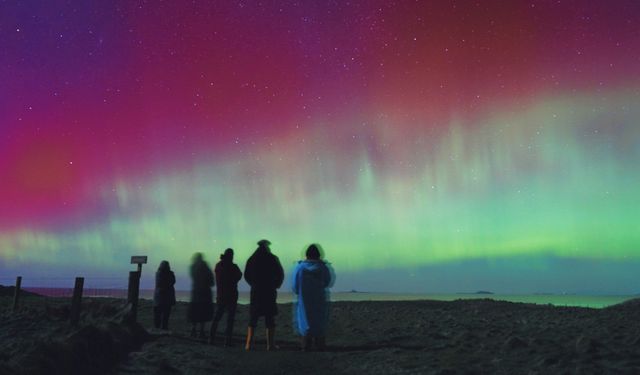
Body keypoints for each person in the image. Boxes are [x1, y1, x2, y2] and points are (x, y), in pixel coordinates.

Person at [243, 239, 284, 351]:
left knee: (253, 318)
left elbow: (246, 275)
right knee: (269, 317)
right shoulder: (273, 258)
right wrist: (276, 284)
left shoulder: (251, 259)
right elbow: (280, 273)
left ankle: (248, 344)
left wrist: (253, 284)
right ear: (267, 247)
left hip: (256, 292)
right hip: (269, 291)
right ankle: (270, 345)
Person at [293, 244, 333, 351]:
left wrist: (299, 291)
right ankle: (320, 344)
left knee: (304, 320)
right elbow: (327, 282)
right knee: (319, 319)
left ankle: (306, 344)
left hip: (304, 299)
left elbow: (295, 285)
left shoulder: (300, 268)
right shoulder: (323, 267)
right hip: (319, 298)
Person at [209, 248, 243, 346]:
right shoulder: (232, 267)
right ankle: (227, 341)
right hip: (231, 296)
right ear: (231, 256)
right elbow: (239, 275)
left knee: (217, 318)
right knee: (229, 320)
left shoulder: (218, 265)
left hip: (221, 295)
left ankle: (211, 338)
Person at [188, 252, 214, 339]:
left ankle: (193, 329)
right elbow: (211, 281)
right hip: (205, 294)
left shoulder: (192, 267)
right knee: (203, 313)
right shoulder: (205, 267)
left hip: (196, 293)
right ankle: (201, 331)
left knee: (195, 313)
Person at [153, 260, 176, 330]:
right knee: (165, 314)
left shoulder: (158, 273)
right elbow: (172, 282)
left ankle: (158, 327)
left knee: (158, 314)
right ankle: (163, 327)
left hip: (159, 297)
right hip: (165, 296)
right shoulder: (167, 274)